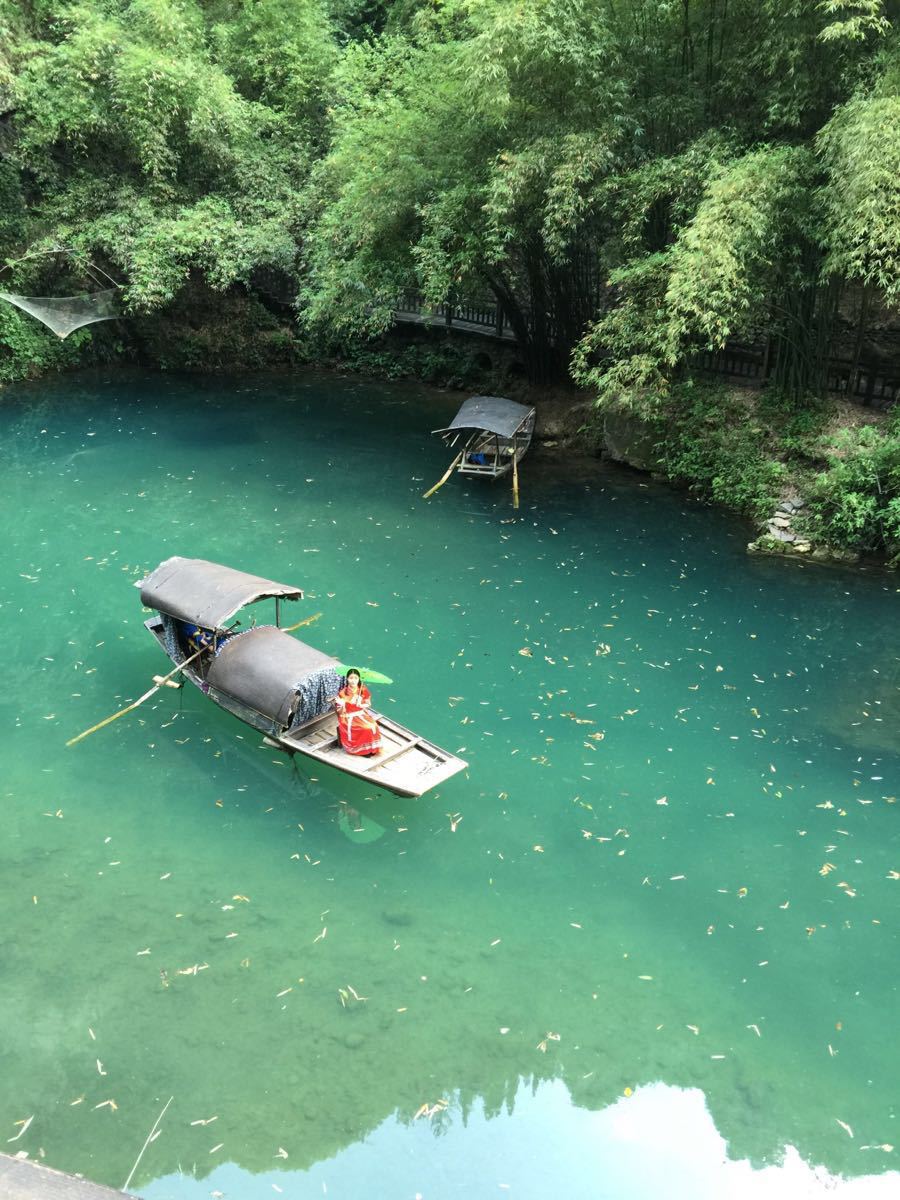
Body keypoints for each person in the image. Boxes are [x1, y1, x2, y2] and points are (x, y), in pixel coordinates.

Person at [333, 668, 383, 756]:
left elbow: (368, 704)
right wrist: (341, 704)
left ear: (359, 679)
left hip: (361, 714)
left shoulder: (362, 689)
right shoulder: (343, 693)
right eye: (351, 678)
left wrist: (361, 705)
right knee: (365, 728)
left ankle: (371, 749)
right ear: (347, 679)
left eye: (355, 678)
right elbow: (341, 712)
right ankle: (361, 750)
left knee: (373, 726)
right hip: (348, 717)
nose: (353, 681)